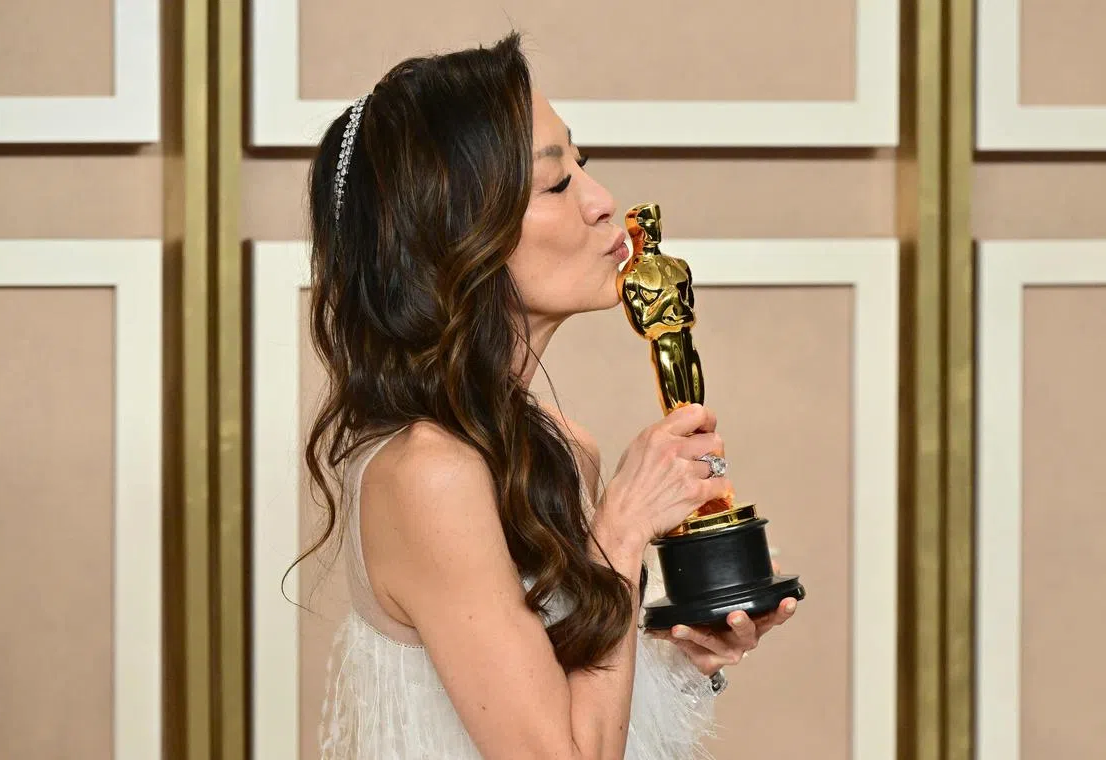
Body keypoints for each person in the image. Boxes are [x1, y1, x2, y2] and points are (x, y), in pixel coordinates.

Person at [299, 31, 798, 759]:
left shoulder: (560, 449)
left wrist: (685, 662)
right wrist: (622, 530)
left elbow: (574, 711)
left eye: (583, 168)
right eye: (558, 183)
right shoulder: (426, 474)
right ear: (458, 231)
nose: (604, 204)